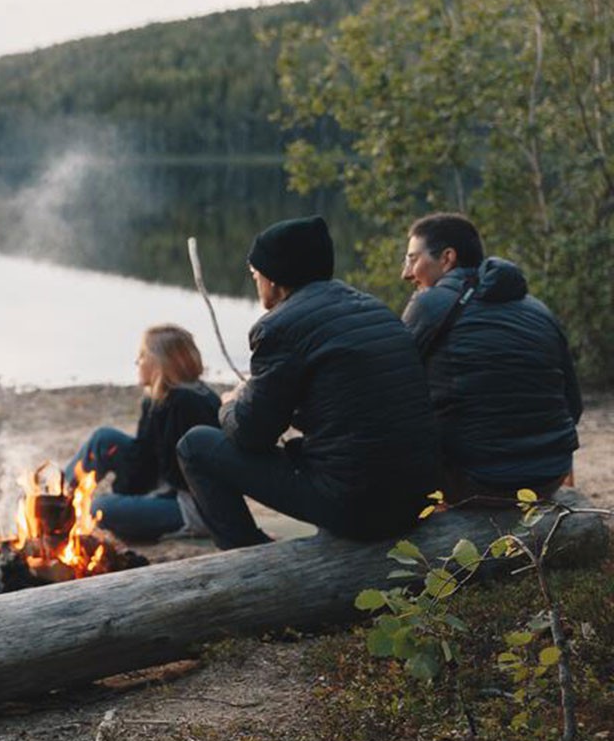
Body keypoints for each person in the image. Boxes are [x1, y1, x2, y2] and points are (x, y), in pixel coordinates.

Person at [176, 215, 439, 548]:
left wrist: (230, 404)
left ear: (274, 279)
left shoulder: (279, 327)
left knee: (195, 446)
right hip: (418, 497)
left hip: (359, 504)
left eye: (256, 275)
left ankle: (250, 558)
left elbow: (251, 434)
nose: (256, 284)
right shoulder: (376, 310)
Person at [400, 212, 581, 499]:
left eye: (412, 259)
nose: (406, 273)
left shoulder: (430, 305)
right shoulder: (538, 309)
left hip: (477, 481)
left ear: (447, 258)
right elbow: (573, 405)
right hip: (549, 476)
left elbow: (392, 390)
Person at [63, 324, 220, 542]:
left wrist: (126, 493)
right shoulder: (162, 398)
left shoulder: (186, 404)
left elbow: (175, 475)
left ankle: (59, 515)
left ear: (160, 363)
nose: (137, 362)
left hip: (193, 506)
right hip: (164, 487)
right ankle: (51, 506)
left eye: (143, 356)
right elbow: (144, 462)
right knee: (104, 438)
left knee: (100, 508)